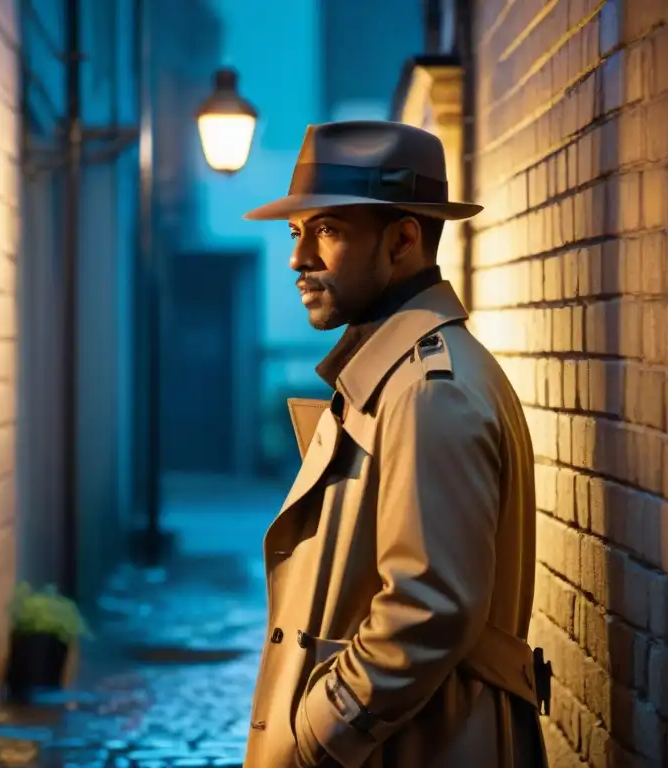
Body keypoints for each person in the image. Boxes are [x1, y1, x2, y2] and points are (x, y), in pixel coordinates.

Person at [241, 121, 550, 768]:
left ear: (404, 238)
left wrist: (316, 737)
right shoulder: (394, 374)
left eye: (326, 230)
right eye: (297, 233)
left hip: (411, 748)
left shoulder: (428, 390)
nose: (299, 259)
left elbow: (426, 609)